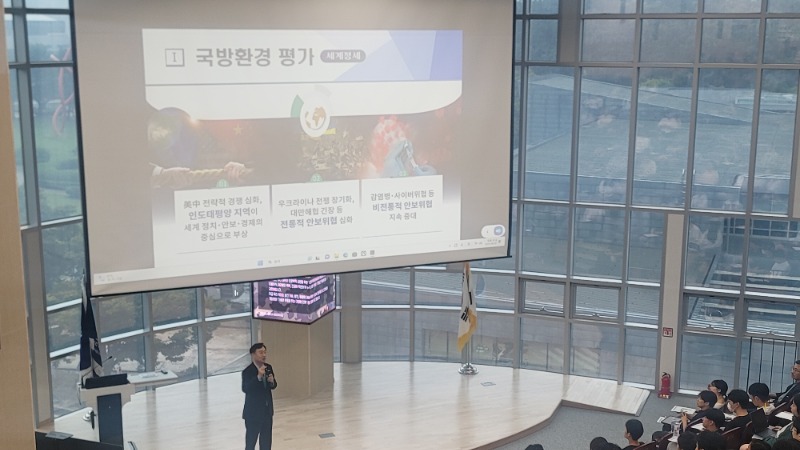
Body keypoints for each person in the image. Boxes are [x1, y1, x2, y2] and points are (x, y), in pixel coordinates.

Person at [242, 343, 277, 450]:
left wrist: (272, 382)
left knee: (266, 441)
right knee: (251, 442)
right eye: (261, 352)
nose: (264, 355)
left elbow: (273, 386)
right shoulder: (247, 371)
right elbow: (246, 388)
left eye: (265, 352)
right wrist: (258, 377)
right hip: (253, 413)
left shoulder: (268, 367)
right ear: (253, 354)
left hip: (267, 411)